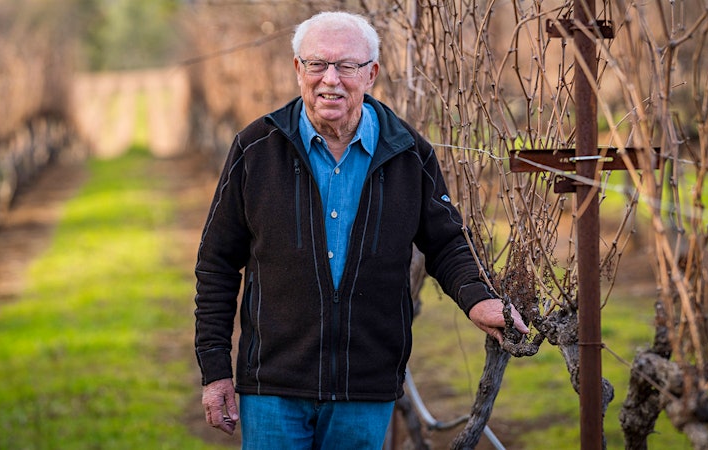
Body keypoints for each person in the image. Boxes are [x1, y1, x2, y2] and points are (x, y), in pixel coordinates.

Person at [193, 11, 529, 449]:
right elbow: (217, 265)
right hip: (273, 386)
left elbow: (445, 242)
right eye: (316, 64)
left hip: (365, 387)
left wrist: (477, 299)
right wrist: (215, 369)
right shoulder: (256, 148)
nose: (330, 79)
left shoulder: (408, 153)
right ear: (298, 70)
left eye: (346, 66)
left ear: (370, 73)